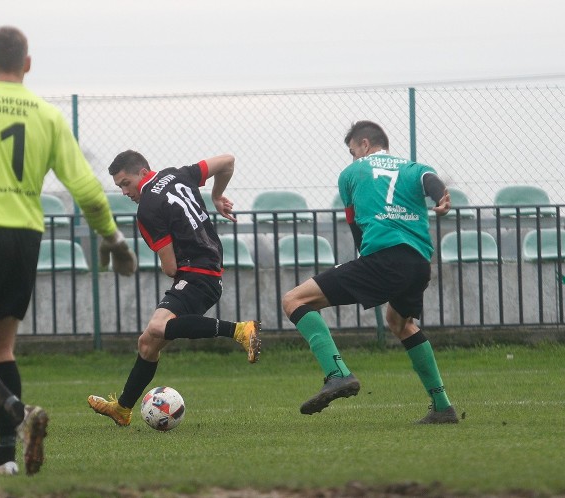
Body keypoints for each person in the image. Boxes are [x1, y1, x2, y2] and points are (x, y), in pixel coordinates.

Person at [0, 26, 136, 477]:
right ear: (27, 64)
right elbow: (84, 188)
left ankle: (20, 414)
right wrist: (113, 239)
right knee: (0, 349)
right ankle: (5, 459)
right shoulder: (47, 115)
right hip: (25, 239)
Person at [281, 120, 459, 424]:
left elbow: (355, 228)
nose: (352, 157)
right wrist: (441, 196)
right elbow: (432, 180)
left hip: (383, 259)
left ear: (364, 144)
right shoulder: (414, 167)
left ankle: (337, 373)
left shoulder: (351, 173)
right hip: (418, 263)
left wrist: (365, 263)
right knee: (400, 323)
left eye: (352, 151)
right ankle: (443, 407)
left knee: (294, 300)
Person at [87, 150, 262, 427]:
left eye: (125, 183)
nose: (124, 191)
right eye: (119, 186)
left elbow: (169, 268)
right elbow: (228, 161)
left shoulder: (147, 209)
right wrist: (217, 196)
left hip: (195, 275)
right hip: (209, 269)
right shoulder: (178, 173)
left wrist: (165, 264)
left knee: (157, 328)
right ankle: (122, 409)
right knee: (147, 344)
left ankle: (240, 330)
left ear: (143, 173)